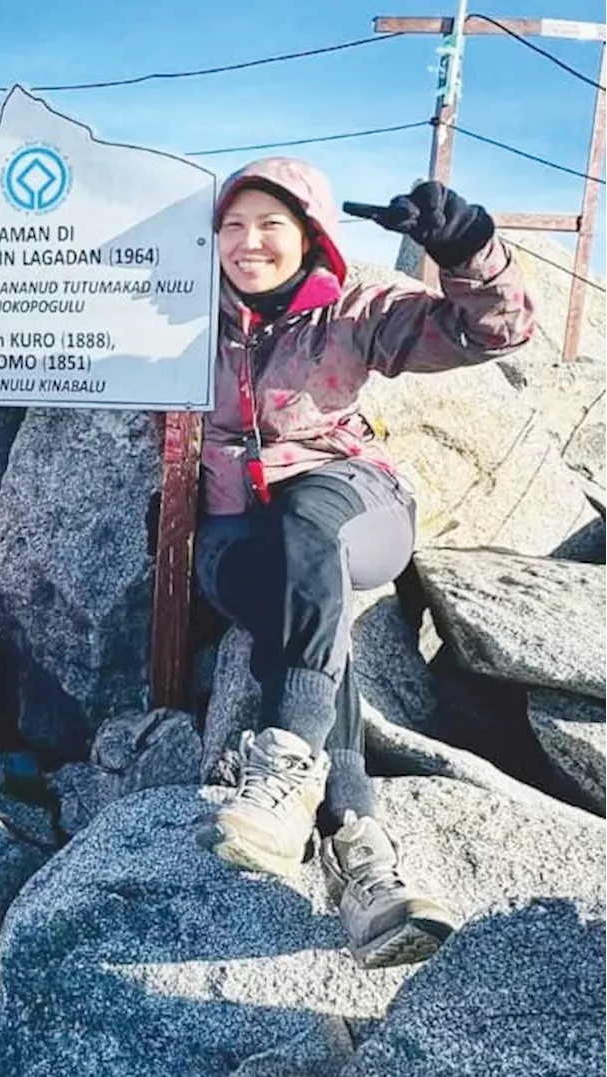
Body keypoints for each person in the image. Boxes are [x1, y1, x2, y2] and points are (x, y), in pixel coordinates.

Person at [191, 158, 535, 969]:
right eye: (232, 226)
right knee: (296, 596)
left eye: (270, 224)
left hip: (354, 508)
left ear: (307, 233)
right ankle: (363, 857)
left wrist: (469, 247)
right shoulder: (182, 317)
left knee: (310, 524)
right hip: (242, 538)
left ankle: (286, 754)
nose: (248, 243)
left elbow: (496, 330)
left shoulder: (349, 311)